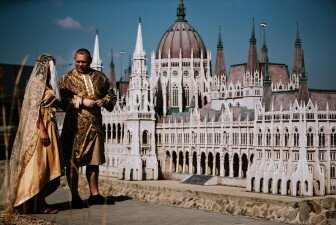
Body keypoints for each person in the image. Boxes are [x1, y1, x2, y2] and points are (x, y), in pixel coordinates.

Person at [0, 54, 64, 214]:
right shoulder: (36, 83)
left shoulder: (47, 84)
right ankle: (31, 201)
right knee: (38, 165)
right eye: (51, 66)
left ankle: (40, 201)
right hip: (41, 128)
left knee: (49, 166)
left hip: (51, 125)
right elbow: (33, 109)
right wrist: (42, 130)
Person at [59, 48, 116, 207]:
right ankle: (75, 197)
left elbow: (111, 94)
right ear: (74, 59)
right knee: (73, 162)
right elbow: (61, 100)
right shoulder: (67, 78)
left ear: (89, 61)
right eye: (77, 61)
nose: (80, 65)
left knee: (94, 161)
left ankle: (95, 195)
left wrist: (104, 101)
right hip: (75, 127)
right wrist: (81, 101)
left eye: (83, 62)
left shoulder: (99, 77)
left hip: (95, 126)